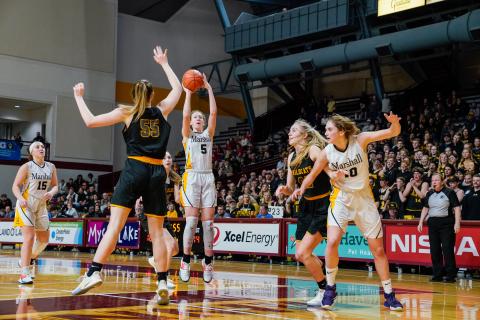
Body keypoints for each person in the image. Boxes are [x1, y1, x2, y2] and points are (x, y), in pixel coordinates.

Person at [71, 46, 182, 306]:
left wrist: (78, 97)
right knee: (157, 233)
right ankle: (163, 281)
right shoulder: (162, 110)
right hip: (156, 172)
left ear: (134, 95)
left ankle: (93, 272)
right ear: (153, 95)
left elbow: (90, 121)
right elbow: (177, 89)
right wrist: (164, 63)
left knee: (115, 226)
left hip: (134, 169)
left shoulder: (126, 112)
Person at [294, 113, 403, 311]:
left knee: (378, 250)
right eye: (326, 129)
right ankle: (330, 288)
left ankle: (389, 295)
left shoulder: (360, 140)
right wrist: (301, 189)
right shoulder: (327, 152)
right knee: (333, 241)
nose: (325, 132)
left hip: (364, 201)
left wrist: (394, 123)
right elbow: (313, 173)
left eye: (329, 129)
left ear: (341, 131)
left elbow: (392, 132)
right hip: (341, 200)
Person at [276, 119, 331, 307]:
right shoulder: (291, 158)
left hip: (323, 205)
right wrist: (285, 190)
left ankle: (325, 290)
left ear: (305, 135)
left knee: (304, 252)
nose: (289, 134)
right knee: (300, 255)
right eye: (290, 131)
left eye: (293, 131)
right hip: (305, 207)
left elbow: (330, 173)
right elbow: (292, 188)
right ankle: (326, 282)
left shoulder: (314, 150)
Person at [179, 74, 217, 283]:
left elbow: (213, 112)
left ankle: (208, 262)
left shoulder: (208, 135)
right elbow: (184, 117)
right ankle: (185, 260)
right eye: (196, 117)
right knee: (192, 222)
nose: (199, 119)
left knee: (209, 225)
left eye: (200, 117)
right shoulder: (187, 136)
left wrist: (209, 89)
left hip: (207, 177)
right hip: (192, 177)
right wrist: (187, 94)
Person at [12, 141, 58, 284]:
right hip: (27, 204)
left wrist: (51, 193)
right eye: (37, 147)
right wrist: (20, 198)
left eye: (43, 147)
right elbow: (15, 186)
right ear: (31, 152)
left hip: (42, 205)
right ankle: (24, 273)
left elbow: (55, 185)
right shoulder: (27, 166)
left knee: (44, 240)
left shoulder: (51, 167)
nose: (41, 149)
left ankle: (25, 260)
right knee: (30, 238)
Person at [418, 173, 461, 282]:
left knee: (447, 249)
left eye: (437, 180)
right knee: (434, 249)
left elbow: (456, 208)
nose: (434, 182)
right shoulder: (430, 193)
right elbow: (425, 207)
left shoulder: (449, 192)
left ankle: (451, 275)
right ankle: (437, 274)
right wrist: (420, 222)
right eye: (433, 180)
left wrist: (457, 223)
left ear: (442, 181)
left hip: (446, 223)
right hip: (432, 223)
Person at [148, 151, 181, 289]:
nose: (167, 159)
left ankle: (155, 260)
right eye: (164, 157)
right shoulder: (155, 175)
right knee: (168, 246)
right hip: (150, 213)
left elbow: (178, 200)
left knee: (175, 249)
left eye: (169, 156)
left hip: (162, 214)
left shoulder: (174, 178)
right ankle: (163, 278)